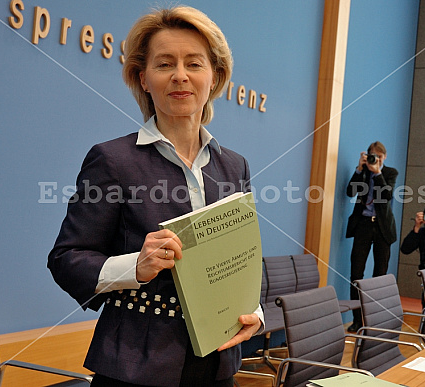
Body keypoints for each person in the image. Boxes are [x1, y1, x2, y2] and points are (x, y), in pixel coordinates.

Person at [47, 6, 263, 387]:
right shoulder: (112, 160)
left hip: (218, 364)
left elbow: (242, 258)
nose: (180, 75)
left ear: (214, 77)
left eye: (194, 63)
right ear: (143, 78)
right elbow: (66, 259)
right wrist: (135, 266)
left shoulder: (235, 166)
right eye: (165, 64)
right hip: (134, 366)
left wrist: (254, 312)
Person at [345, 141, 398, 332]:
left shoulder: (390, 173)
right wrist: (360, 169)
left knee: (379, 276)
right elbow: (350, 191)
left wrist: (377, 173)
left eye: (379, 157)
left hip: (383, 227)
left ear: (384, 158)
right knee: (356, 274)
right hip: (363, 226)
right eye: (372, 156)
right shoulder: (363, 172)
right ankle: (357, 320)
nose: (376, 160)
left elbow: (386, 195)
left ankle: (375, 321)